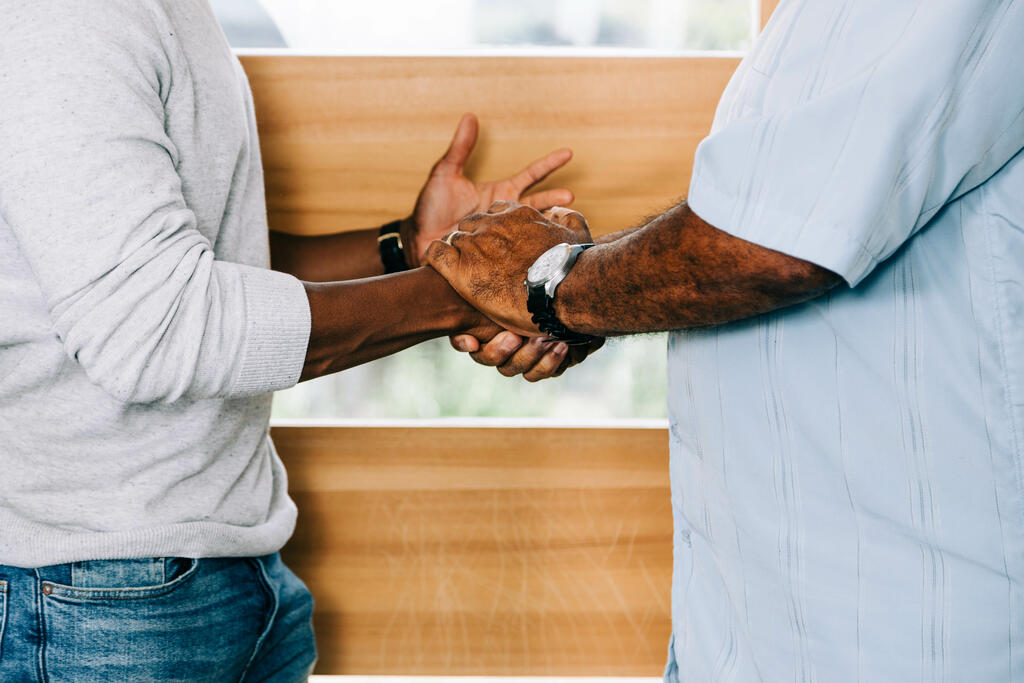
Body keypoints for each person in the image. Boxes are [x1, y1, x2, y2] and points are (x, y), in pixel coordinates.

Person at [428, 1, 1024, 680]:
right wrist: (569, 294)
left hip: (889, 630)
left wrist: (553, 287)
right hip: (763, 618)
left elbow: (777, 243)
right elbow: (761, 218)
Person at [0, 1, 594, 680]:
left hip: (213, 574)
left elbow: (194, 270)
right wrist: (471, 289)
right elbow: (155, 325)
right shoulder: (66, 16)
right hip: (100, 600)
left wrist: (411, 252)